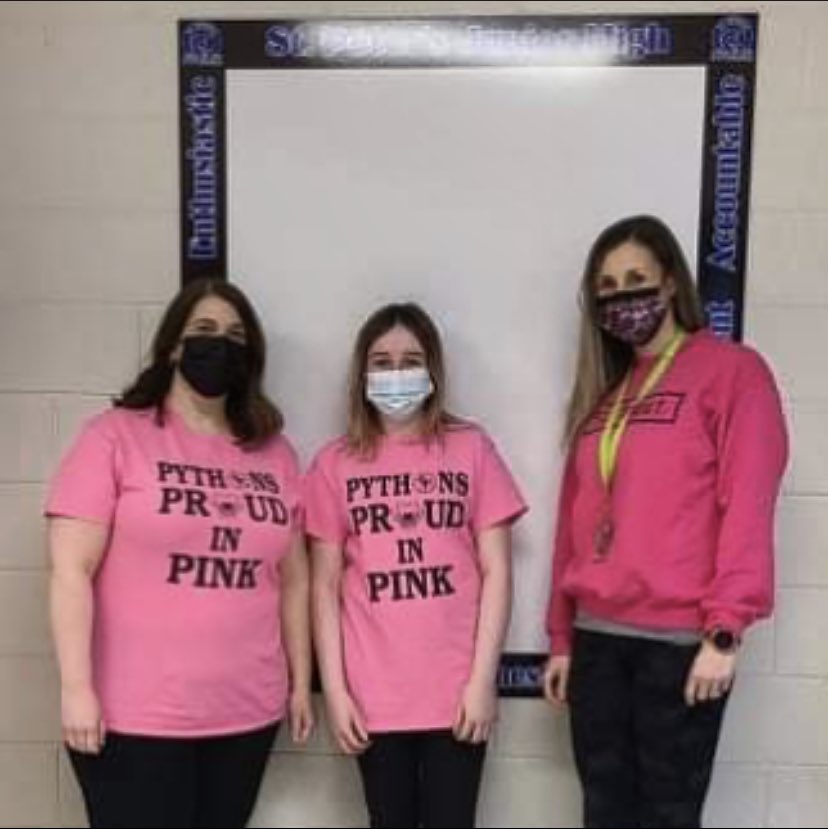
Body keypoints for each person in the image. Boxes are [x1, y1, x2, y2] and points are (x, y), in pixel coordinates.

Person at [542, 215, 788, 829]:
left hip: (678, 648)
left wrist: (725, 631)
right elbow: (571, 527)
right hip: (598, 643)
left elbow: (748, 505)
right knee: (602, 814)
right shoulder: (605, 398)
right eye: (606, 286)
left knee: (666, 819)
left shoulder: (734, 373)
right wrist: (563, 638)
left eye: (635, 279)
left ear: (671, 283)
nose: (621, 296)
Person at [47, 277, 314, 828]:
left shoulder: (276, 453)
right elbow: (71, 571)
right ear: (173, 346)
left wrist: (300, 681)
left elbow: (293, 581)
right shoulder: (113, 437)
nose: (220, 344)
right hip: (135, 719)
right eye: (205, 331)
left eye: (236, 335)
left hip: (246, 713)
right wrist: (77, 690)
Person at [306, 302, 526, 828]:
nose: (395, 372)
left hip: (456, 696)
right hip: (373, 699)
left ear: (433, 370)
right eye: (381, 361)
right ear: (363, 374)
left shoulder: (471, 448)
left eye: (410, 359)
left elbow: (497, 571)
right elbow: (323, 587)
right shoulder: (333, 463)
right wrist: (335, 692)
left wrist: (482, 680)